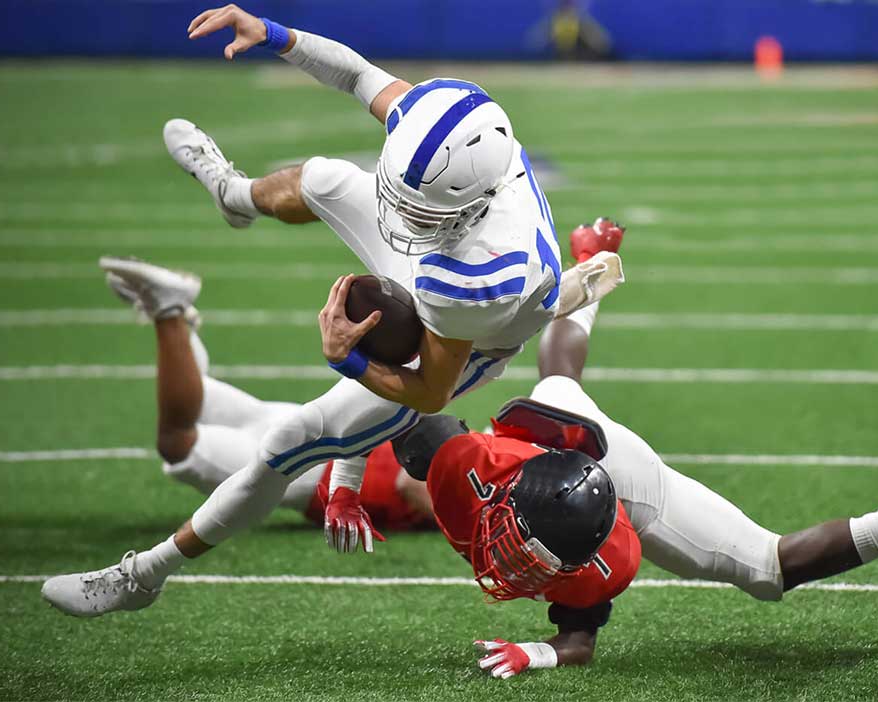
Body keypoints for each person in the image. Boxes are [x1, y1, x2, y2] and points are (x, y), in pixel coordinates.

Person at [41, 5, 623, 617]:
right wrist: (273, 34)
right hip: (453, 255)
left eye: (415, 208)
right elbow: (356, 74)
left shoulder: (476, 282)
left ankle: (144, 576)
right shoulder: (455, 135)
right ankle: (234, 196)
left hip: (470, 340)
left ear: (461, 203)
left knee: (290, 440)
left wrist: (348, 361)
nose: (400, 215)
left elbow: (428, 393)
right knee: (324, 178)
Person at [389, 227, 878, 679]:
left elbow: (578, 642)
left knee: (768, 567)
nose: (514, 563)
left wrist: (537, 651)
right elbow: (424, 429)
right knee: (557, 379)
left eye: (541, 558)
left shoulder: (611, 551)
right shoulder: (459, 469)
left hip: (618, 475)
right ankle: (594, 258)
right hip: (552, 434)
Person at [97, 256, 435, 532]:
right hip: (310, 469)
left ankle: (177, 315)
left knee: (191, 394)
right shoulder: (474, 468)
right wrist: (470, 518)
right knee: (178, 443)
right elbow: (411, 483)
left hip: (317, 431)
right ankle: (168, 309)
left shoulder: (480, 450)